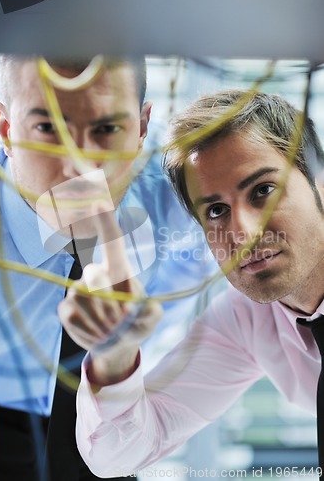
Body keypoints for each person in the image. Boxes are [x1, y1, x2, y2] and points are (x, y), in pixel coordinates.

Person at [60, 90, 324, 478]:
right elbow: (116, 454)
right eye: (216, 211)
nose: (243, 234)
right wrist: (115, 353)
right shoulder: (245, 319)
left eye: (263, 190)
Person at [0, 55, 215, 480]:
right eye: (48, 129)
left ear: (143, 128)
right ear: (5, 129)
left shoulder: (189, 205)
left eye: (107, 129)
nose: (79, 164)